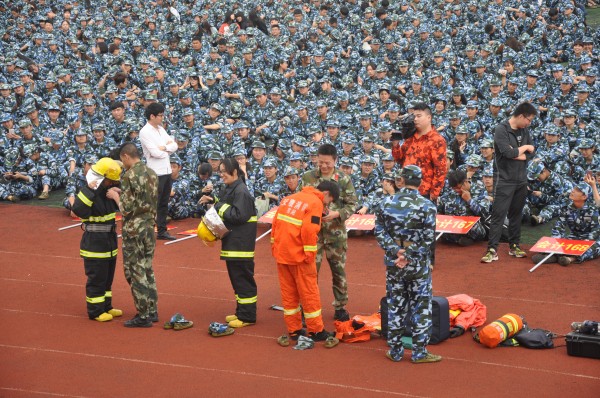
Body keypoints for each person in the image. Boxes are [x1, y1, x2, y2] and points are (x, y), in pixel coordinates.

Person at [375, 165, 441, 363]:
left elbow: (379, 232)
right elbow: (428, 238)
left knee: (395, 305)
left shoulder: (385, 202)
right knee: (421, 306)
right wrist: (409, 255)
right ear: (420, 182)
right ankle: (419, 352)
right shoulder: (427, 206)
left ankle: (395, 351)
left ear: (400, 180)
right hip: (417, 264)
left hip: (394, 263)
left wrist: (397, 252)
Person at [271, 180, 341, 348]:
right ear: (326, 194)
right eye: (329, 201)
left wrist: (275, 247)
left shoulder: (289, 198)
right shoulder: (315, 202)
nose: (326, 205)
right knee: (309, 292)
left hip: (282, 253)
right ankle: (316, 331)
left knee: (289, 294)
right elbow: (309, 230)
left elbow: (275, 224)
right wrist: (310, 254)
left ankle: (294, 330)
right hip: (299, 256)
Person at [301, 144, 358, 321]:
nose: (324, 166)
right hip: (313, 234)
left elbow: (352, 204)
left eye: (327, 163)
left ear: (335, 160)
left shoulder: (343, 179)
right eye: (320, 162)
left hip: (336, 235)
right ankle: (308, 307)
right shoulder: (308, 177)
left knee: (338, 271)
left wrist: (337, 214)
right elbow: (302, 200)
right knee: (310, 273)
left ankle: (340, 307)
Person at [106, 143, 159, 328]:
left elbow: (126, 208)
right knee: (147, 268)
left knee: (134, 271)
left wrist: (115, 196)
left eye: (122, 160)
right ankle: (152, 310)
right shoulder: (151, 172)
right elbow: (144, 198)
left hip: (134, 228)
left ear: (126, 156)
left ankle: (143, 314)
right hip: (149, 226)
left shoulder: (129, 175)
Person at [201, 158, 258, 328]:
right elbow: (226, 206)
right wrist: (213, 201)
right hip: (233, 244)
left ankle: (247, 316)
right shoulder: (232, 188)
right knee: (237, 280)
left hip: (240, 247)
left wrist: (218, 206)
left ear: (234, 172)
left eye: (224, 171)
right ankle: (241, 312)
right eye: (220, 171)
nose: (221, 174)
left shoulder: (241, 191)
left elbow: (238, 215)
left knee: (243, 280)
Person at [481, 102, 537, 263]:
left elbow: (532, 153)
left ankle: (514, 245)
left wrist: (520, 153)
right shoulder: (501, 129)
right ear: (521, 116)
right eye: (529, 119)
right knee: (499, 214)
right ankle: (492, 249)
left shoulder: (524, 130)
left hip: (521, 179)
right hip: (504, 179)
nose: (529, 123)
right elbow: (508, 152)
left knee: (516, 214)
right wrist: (524, 148)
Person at [71, 157, 122, 322]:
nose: (113, 183)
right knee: (97, 279)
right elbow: (78, 209)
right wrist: (89, 190)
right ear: (103, 178)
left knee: (107, 279)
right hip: (95, 243)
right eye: (111, 181)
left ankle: (107, 306)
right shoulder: (90, 191)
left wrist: (116, 193)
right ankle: (95, 311)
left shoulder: (107, 191)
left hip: (109, 242)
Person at [532, 183, 600, 266]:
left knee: (594, 248)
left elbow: (596, 231)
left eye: (577, 191)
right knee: (551, 242)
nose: (573, 191)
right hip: (574, 237)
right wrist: (556, 241)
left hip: (590, 239)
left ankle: (570, 259)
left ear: (584, 197)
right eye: (574, 189)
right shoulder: (566, 208)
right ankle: (556, 256)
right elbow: (559, 225)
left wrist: (583, 244)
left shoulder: (592, 210)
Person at [392, 102, 447, 202]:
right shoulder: (410, 137)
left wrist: (434, 193)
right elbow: (399, 159)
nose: (415, 119)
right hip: (405, 190)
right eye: (414, 116)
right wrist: (395, 144)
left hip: (424, 193)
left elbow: (441, 169)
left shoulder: (437, 140)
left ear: (429, 117)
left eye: (419, 116)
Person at [139, 102, 178, 240]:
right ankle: (146, 231)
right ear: (152, 116)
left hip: (166, 171)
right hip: (155, 172)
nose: (162, 118)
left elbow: (174, 145)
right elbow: (155, 153)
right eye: (160, 115)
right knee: (152, 204)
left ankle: (162, 231)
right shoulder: (145, 132)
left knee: (163, 203)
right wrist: (165, 149)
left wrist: (164, 148)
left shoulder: (161, 129)